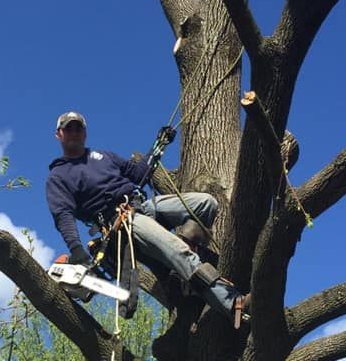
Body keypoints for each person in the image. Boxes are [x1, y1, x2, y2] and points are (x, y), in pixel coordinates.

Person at [45, 111, 248, 323]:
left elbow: (138, 173)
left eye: (78, 128)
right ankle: (233, 303)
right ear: (59, 134)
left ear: (85, 132)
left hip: (142, 207)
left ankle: (182, 265)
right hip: (122, 222)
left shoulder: (104, 156)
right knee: (179, 252)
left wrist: (158, 145)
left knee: (206, 203)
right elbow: (63, 215)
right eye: (68, 129)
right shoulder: (59, 176)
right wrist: (76, 250)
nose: (74, 132)